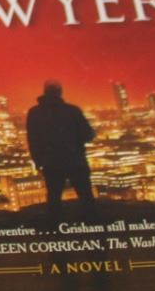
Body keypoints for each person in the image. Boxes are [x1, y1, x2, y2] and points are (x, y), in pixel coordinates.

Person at [25, 80, 99, 226]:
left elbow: (33, 140)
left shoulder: (35, 113)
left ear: (45, 92)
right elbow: (87, 135)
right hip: (75, 160)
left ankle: (54, 226)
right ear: (60, 93)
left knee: (54, 196)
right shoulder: (72, 111)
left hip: (51, 162)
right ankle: (92, 224)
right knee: (85, 194)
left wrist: (38, 161)